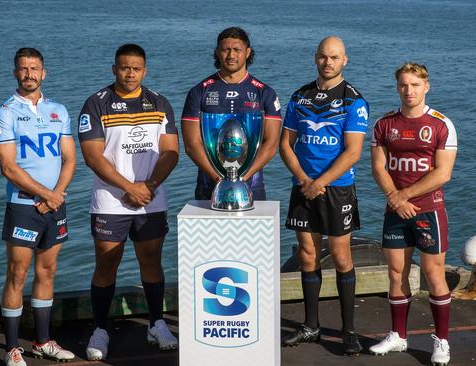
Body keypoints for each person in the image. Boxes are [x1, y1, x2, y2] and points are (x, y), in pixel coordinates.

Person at [78, 44, 179, 361]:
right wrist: (127, 187)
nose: (130, 73)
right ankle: (100, 329)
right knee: (107, 265)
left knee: (151, 262)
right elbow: (93, 156)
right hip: (111, 201)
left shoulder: (159, 102)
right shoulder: (96, 103)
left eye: (136, 68)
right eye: (124, 67)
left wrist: (146, 186)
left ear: (144, 70)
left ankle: (156, 323)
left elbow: (171, 152)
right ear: (114, 69)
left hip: (151, 198)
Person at [279, 36, 368, 355]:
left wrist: (321, 182)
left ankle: (348, 331)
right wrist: (304, 179)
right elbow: (285, 144)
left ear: (345, 60)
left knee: (341, 256)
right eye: (322, 57)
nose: (327, 62)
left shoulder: (353, 99)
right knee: (307, 254)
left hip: (338, 188)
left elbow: (353, 151)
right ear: (315, 58)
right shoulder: (299, 96)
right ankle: (311, 326)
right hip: (303, 187)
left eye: (334, 57)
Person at [0, 47, 76, 366]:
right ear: (16, 73)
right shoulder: (5, 112)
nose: (29, 74)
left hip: (55, 205)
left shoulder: (59, 110)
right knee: (17, 273)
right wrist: (45, 195)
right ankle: (11, 347)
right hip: (23, 206)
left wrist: (56, 194)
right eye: (23, 68)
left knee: (47, 271)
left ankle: (42, 341)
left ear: (44, 73)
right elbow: (8, 167)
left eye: (34, 68)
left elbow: (69, 159)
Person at [369, 62, 457, 366]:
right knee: (396, 274)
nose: (409, 91)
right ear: (397, 87)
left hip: (428, 210)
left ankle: (441, 341)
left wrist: (403, 196)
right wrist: (395, 199)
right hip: (395, 211)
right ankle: (398, 335)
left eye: (415, 85)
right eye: (403, 85)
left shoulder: (441, 124)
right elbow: (378, 167)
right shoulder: (384, 124)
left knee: (434, 275)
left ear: (426, 87)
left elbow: (443, 173)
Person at [181, 26, 282, 200]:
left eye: (237, 50)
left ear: (248, 52)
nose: (231, 55)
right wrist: (219, 179)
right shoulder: (199, 92)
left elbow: (271, 144)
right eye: (225, 50)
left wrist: (242, 178)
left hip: (252, 186)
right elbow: (192, 145)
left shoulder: (265, 93)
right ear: (217, 52)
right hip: (209, 187)